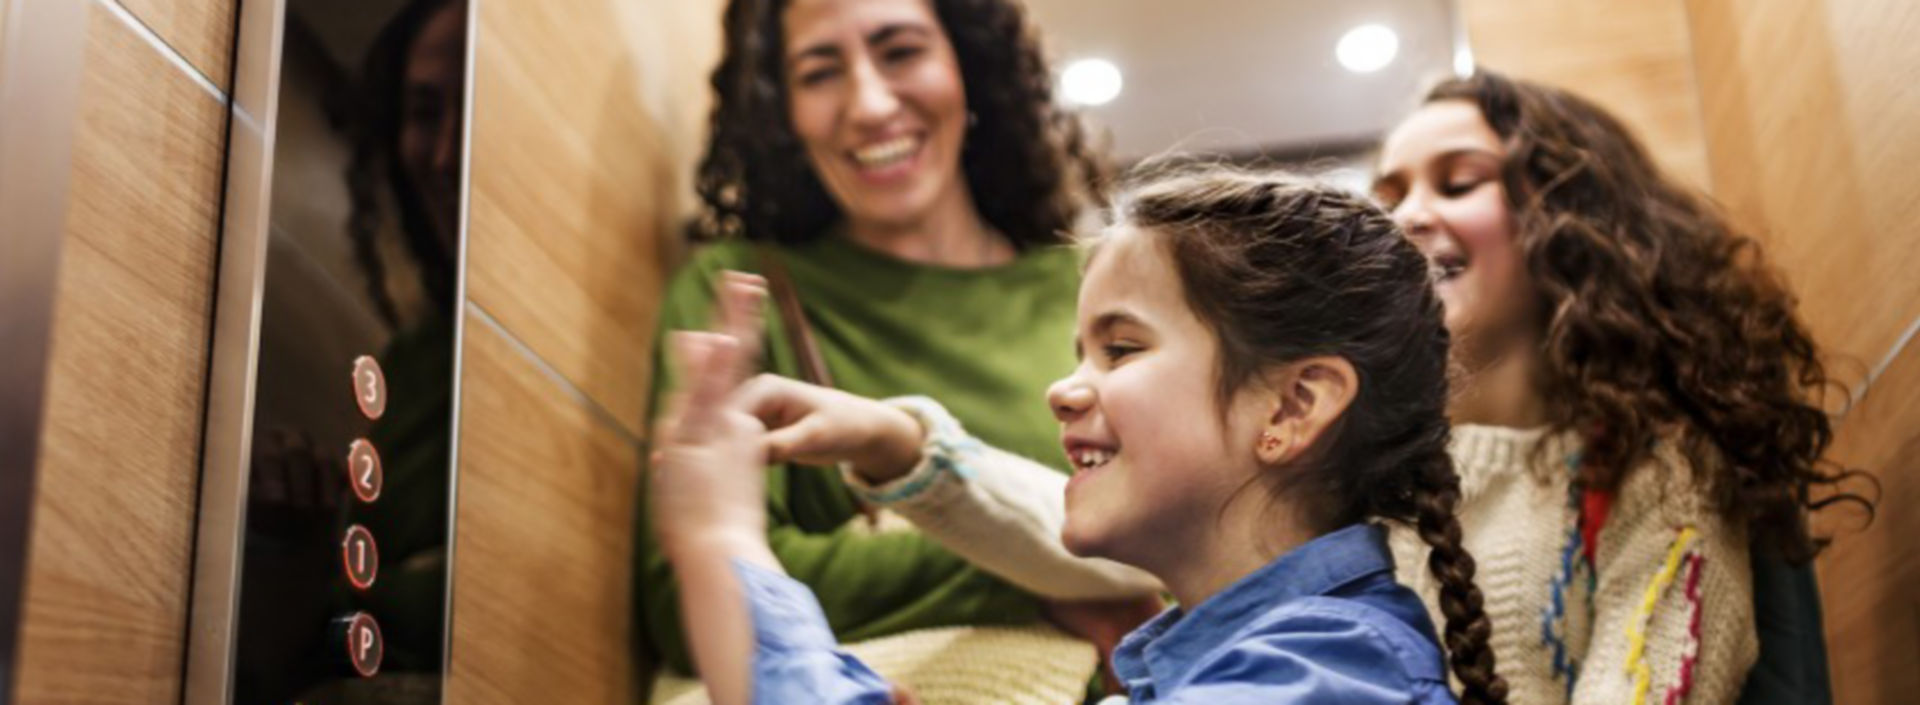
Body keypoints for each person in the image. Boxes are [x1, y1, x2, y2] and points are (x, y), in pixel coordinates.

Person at [650, 168, 1511, 705]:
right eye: (1079, 352)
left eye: (1122, 348)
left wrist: (721, 535)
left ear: (1291, 408)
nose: (1063, 390)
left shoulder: (1324, 675)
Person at [634, 0, 1145, 698]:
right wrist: (1039, 577)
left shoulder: (1091, 284)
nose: (869, 104)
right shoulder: (743, 285)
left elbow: (1176, 532)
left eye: (900, 51)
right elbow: (690, 588)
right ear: (783, 111)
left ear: (970, 65)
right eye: (819, 72)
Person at [1371, 69, 1871, 705]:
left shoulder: (1664, 468)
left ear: (1565, 213)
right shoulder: (1358, 493)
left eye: (1458, 182)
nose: (1407, 218)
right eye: (1387, 200)